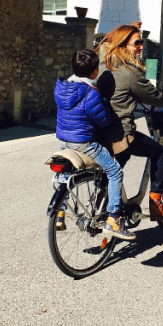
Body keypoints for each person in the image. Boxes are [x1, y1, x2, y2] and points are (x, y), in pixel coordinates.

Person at [96, 24, 163, 221]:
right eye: (137, 43)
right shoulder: (129, 72)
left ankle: (101, 202)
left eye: (141, 43)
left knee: (119, 162)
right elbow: (153, 96)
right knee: (160, 153)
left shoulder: (104, 64)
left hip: (100, 130)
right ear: (123, 45)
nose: (141, 47)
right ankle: (156, 205)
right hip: (119, 132)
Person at [54, 48, 135, 241]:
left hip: (63, 140)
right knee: (115, 171)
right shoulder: (90, 93)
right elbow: (103, 120)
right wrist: (104, 100)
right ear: (94, 72)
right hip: (84, 143)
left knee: (66, 175)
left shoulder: (62, 88)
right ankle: (114, 219)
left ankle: (60, 211)